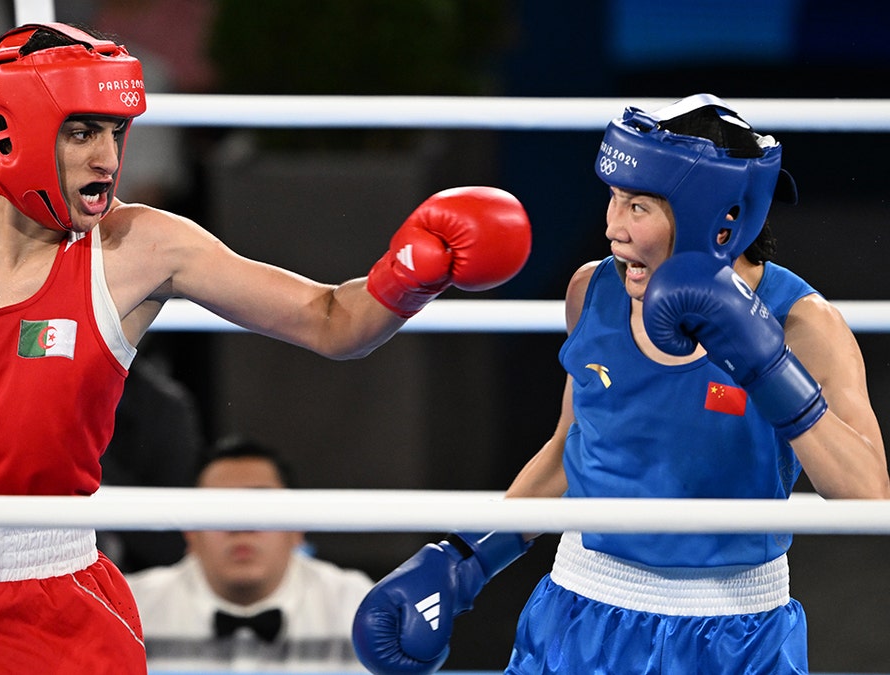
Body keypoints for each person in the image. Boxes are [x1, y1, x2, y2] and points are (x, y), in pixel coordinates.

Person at [0, 22, 532, 673]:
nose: (107, 158)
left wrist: (410, 277)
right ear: (6, 130)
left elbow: (331, 321)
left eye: (115, 130)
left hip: (47, 593)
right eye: (80, 132)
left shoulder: (140, 248)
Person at [352, 93, 890, 674]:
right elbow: (572, 447)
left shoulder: (802, 322)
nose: (612, 227)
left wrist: (769, 367)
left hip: (737, 630)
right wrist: (466, 557)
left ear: (716, 216)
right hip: (580, 611)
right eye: (613, 198)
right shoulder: (592, 290)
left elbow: (868, 498)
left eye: (638, 206)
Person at [127, 437, 374, 672]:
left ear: (298, 526)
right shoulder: (131, 607)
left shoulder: (354, 605)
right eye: (219, 507)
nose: (241, 525)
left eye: (260, 507)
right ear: (190, 531)